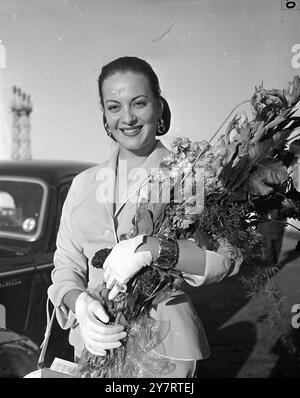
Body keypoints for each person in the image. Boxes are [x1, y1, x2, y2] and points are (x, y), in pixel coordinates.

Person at [48, 56, 242, 378]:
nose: (128, 118)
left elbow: (225, 258)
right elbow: (66, 265)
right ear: (105, 116)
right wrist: (79, 304)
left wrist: (154, 248)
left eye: (139, 103)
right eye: (114, 107)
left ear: (159, 106)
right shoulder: (83, 185)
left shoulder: (190, 175)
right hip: (93, 345)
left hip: (165, 351)